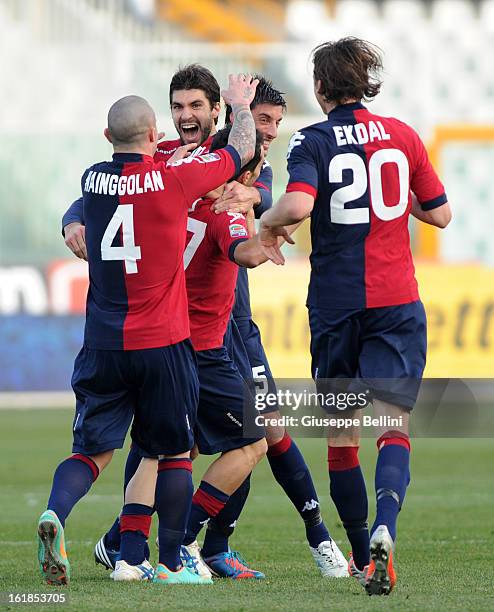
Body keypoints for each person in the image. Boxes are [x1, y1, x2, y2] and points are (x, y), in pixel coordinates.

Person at [62, 66, 345, 579]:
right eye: (179, 106)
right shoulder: (176, 164)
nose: (186, 115)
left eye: (196, 106)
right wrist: (73, 218)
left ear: (214, 111)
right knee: (196, 442)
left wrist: (257, 200)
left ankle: (168, 546)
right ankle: (170, 546)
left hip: (230, 324)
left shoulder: (228, 175)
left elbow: (259, 181)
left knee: (230, 435)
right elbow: (105, 191)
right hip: (185, 332)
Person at [37, 74, 259, 587]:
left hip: (102, 344)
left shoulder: (93, 180)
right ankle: (173, 562)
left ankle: (68, 522)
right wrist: (240, 105)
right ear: (155, 133)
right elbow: (241, 147)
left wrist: (72, 222)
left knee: (91, 451)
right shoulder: (173, 181)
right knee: (172, 451)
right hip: (162, 340)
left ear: (105, 136)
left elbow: (85, 207)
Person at [259, 37, 451, 596]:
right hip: (396, 303)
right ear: (366, 82)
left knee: (342, 433)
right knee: (394, 423)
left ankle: (364, 548)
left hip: (337, 305)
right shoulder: (403, 135)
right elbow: (440, 214)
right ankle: (387, 530)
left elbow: (296, 206)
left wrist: (268, 221)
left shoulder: (312, 140)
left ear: (320, 89)